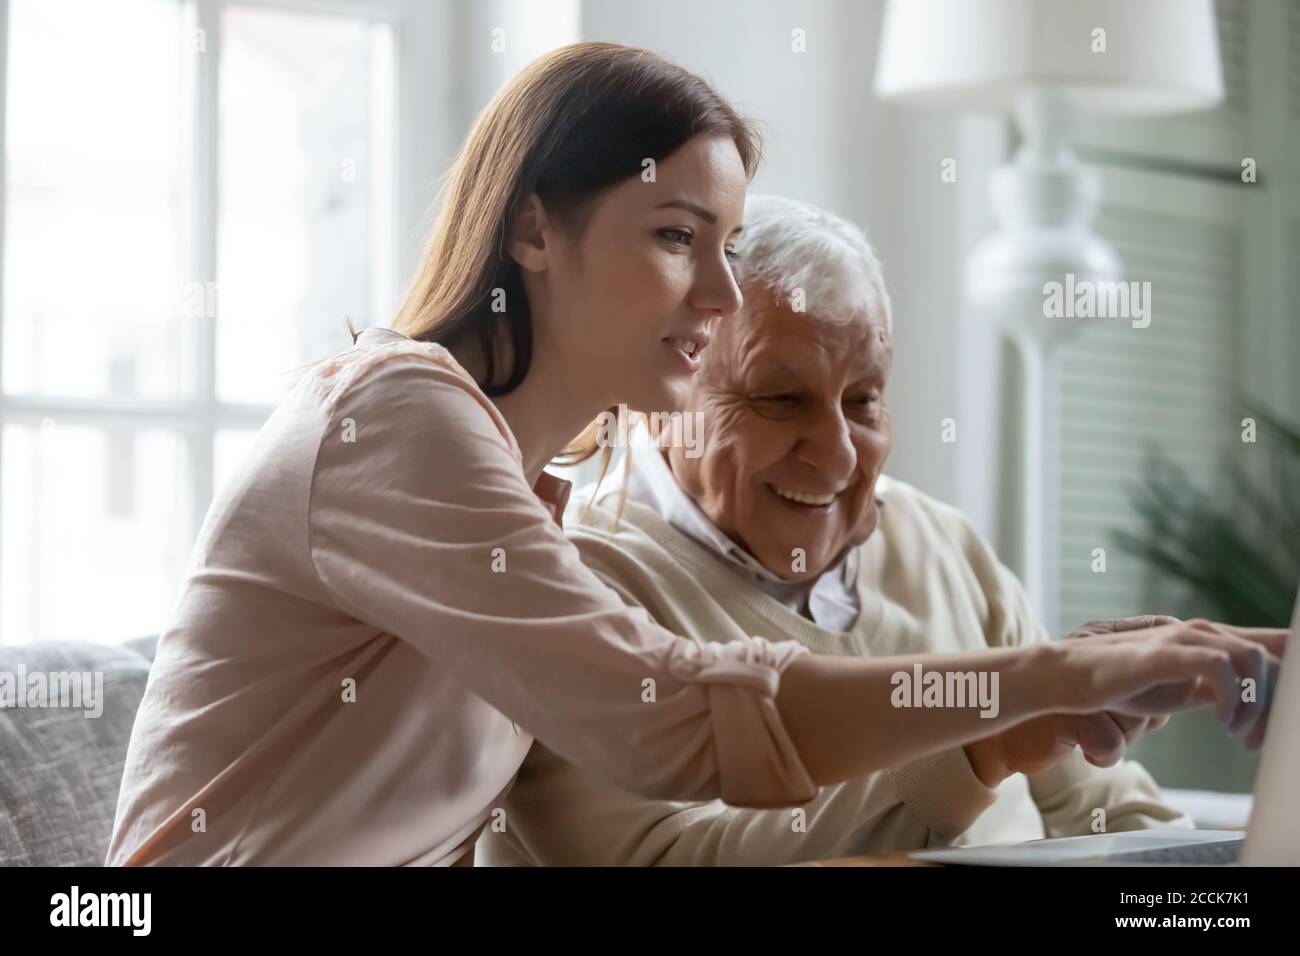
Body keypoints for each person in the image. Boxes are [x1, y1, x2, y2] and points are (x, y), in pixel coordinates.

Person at [107, 44, 1284, 867]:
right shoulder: (397, 416)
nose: (718, 293)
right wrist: (1037, 680)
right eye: (676, 238)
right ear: (530, 229)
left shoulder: (519, 486)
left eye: (724, 245)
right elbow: (665, 710)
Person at [480, 196, 1241, 866]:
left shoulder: (939, 542)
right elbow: (669, 859)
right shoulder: (575, 586)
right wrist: (983, 745)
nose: (840, 454)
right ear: (663, 398)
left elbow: (1114, 815)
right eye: (782, 399)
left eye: (864, 399)